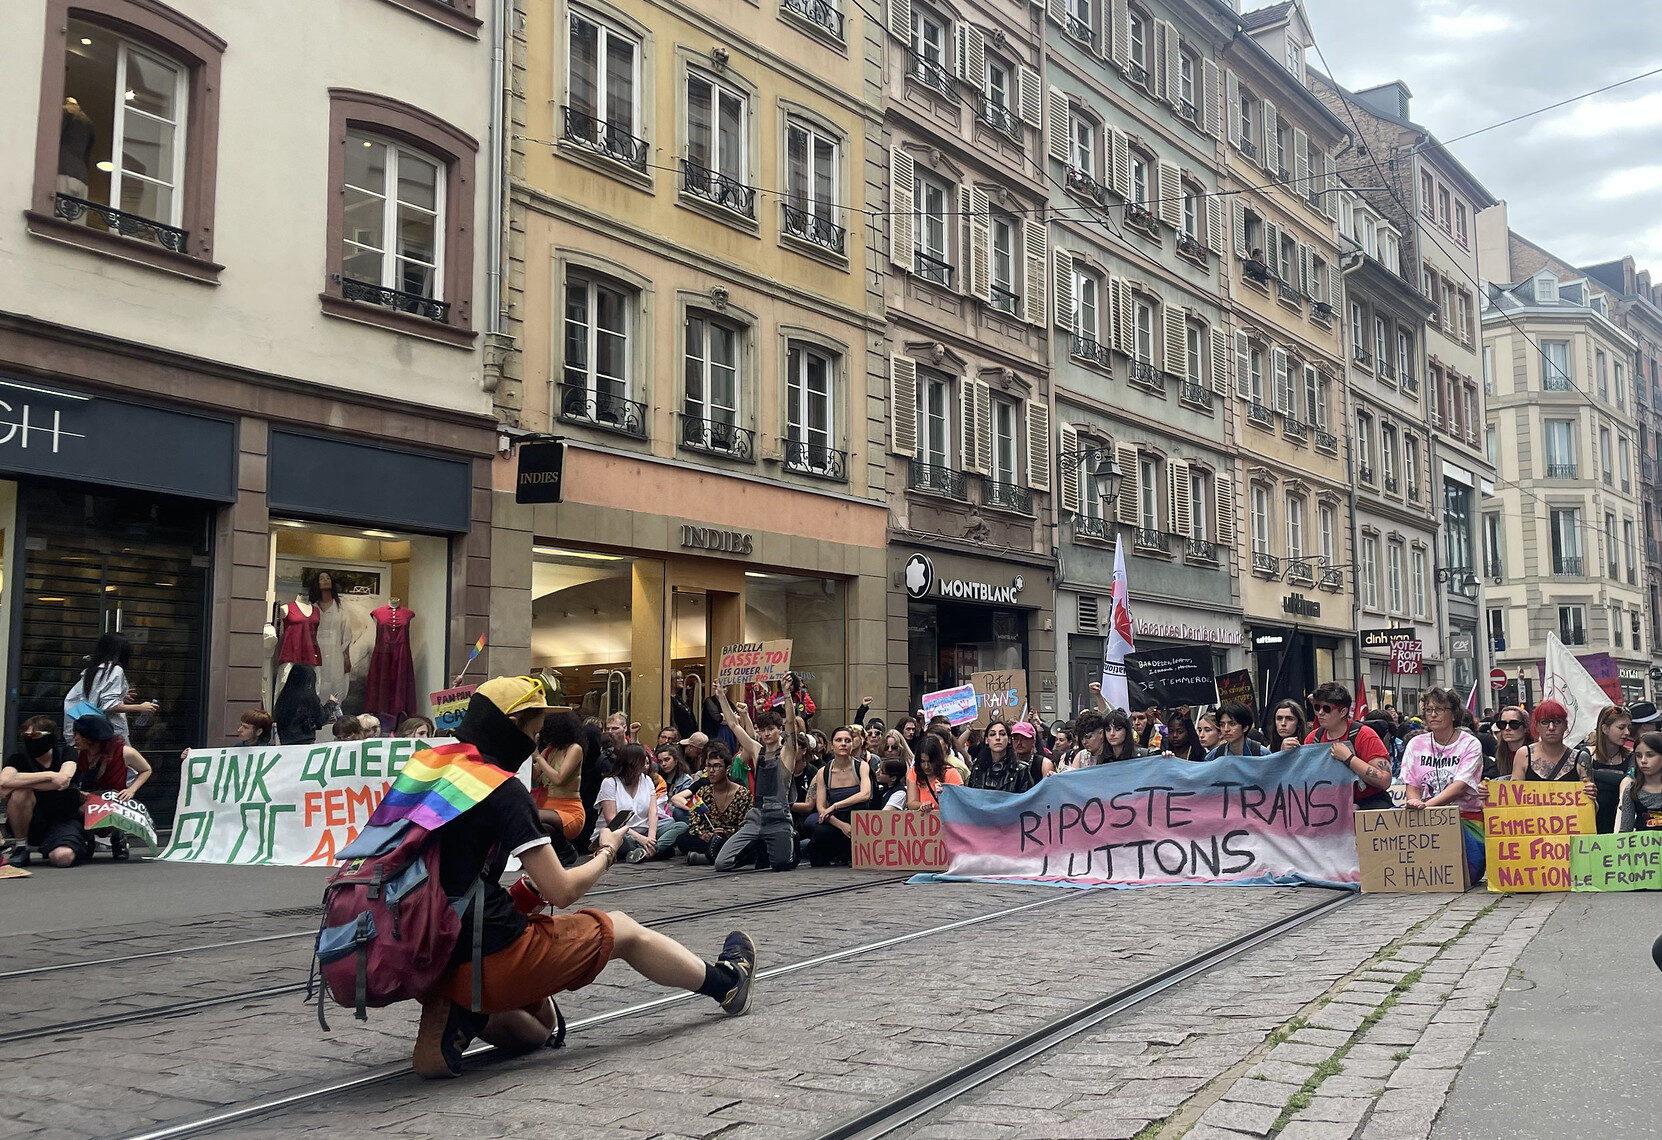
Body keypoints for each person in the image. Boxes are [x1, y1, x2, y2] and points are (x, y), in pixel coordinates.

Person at [399, 678, 754, 1079]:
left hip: (423, 946)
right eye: (533, 733)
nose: (535, 744)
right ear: (511, 724)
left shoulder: (427, 769)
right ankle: (728, 983)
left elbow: (449, 870)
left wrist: (521, 893)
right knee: (624, 930)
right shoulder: (501, 788)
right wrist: (607, 851)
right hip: (485, 950)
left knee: (541, 1028)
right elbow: (562, 891)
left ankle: (459, 1011)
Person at [1400, 688, 1486, 883]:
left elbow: (1460, 786)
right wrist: (1413, 803)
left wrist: (1425, 806)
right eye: (1428, 709)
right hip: (1426, 819)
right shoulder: (1415, 744)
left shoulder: (1470, 744)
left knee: (1465, 874)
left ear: (1454, 714)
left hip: (1465, 819)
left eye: (1439, 709)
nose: (1432, 714)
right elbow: (1412, 784)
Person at [714, 688, 801, 872]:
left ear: (779, 730)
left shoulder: (787, 752)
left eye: (771, 729)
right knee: (722, 864)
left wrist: (786, 695)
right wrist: (721, 696)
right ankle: (757, 849)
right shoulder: (756, 751)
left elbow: (792, 725)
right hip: (757, 819)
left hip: (778, 820)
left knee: (782, 864)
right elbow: (733, 725)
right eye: (762, 730)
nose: (767, 734)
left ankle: (789, 839)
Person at [2, 716, 88, 867]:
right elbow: (3, 782)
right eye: (26, 736)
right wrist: (49, 775)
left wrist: (22, 782)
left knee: (63, 857)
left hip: (63, 819)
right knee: (20, 793)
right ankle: (21, 847)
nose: (30, 740)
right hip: (32, 821)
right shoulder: (18, 758)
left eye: (35, 735)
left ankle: (75, 844)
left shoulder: (66, 753)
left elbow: (63, 780)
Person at [70, 713, 151, 861]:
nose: (74, 738)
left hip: (114, 798)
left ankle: (118, 837)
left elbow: (146, 769)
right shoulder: (77, 752)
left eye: (78, 735)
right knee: (74, 805)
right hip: (88, 796)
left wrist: (131, 790)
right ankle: (87, 839)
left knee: (108, 800)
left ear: (91, 738)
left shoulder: (125, 752)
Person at [1304, 682, 1393, 811]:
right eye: (1317, 707)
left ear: (1343, 712)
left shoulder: (1365, 735)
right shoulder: (1312, 739)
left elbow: (1385, 781)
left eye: (1327, 708)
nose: (1320, 713)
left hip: (1367, 804)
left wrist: (1349, 758)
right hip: (1327, 805)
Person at [63, 632, 157, 741]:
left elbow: (94, 698)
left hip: (88, 732)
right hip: (108, 735)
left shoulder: (93, 670)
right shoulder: (114, 670)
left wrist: (121, 697)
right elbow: (109, 706)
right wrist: (141, 707)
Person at [676, 745, 752, 864]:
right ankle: (719, 855)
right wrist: (706, 835)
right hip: (709, 839)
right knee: (682, 839)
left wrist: (726, 833)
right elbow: (694, 822)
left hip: (732, 839)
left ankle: (709, 857)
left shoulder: (742, 794)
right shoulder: (703, 792)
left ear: (728, 769)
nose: (711, 771)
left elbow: (746, 825)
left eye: (717, 766)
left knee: (750, 845)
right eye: (709, 766)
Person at [807, 726, 871, 867]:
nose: (843, 743)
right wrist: (842, 826)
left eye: (847, 740)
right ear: (831, 745)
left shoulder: (861, 766)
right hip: (835, 821)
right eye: (838, 740)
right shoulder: (823, 772)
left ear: (852, 745)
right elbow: (821, 807)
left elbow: (865, 794)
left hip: (858, 820)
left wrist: (836, 805)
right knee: (819, 833)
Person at [532, 711, 587, 860]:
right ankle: (564, 850)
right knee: (539, 824)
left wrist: (538, 757)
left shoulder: (575, 749)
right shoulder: (548, 751)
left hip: (570, 810)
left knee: (530, 815)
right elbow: (532, 776)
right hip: (549, 807)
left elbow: (559, 778)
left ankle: (564, 849)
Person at [1512, 700, 1593, 798]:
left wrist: (1591, 797)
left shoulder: (1581, 758)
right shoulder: (1524, 755)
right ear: (1536, 726)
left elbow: (1592, 808)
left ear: (1565, 725)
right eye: (1544, 722)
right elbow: (1513, 798)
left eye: (1557, 722)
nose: (1551, 727)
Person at [596, 743, 659, 864]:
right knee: (625, 840)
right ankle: (652, 851)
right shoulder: (610, 783)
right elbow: (612, 820)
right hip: (620, 832)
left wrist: (651, 838)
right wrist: (641, 839)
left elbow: (653, 811)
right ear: (631, 762)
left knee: (677, 826)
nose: (646, 762)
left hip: (644, 830)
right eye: (642, 759)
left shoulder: (647, 780)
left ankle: (644, 851)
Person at [1588, 705, 1635, 833]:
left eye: (1628, 728)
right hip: (1592, 830)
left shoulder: (1632, 757)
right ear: (1605, 729)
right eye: (1621, 728)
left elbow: (1630, 781)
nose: (1627, 733)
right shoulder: (1587, 755)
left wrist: (1593, 774)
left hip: (1620, 830)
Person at [648, 744, 694, 860]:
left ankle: (654, 849)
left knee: (676, 812)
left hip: (671, 815)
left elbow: (685, 803)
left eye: (667, 760)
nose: (663, 764)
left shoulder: (685, 780)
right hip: (658, 816)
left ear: (676, 760)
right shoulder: (655, 777)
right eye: (660, 761)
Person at [965, 719, 1035, 794]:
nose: (997, 738)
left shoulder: (1021, 769)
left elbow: (1028, 801)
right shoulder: (977, 768)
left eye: (1002, 734)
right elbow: (970, 799)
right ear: (986, 740)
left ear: (1008, 740)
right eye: (992, 734)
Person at [275, 665, 334, 745]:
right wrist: (331, 703)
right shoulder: (309, 697)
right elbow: (321, 717)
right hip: (304, 740)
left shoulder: (283, 696)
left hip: (285, 740)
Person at [1616, 731, 1662, 832]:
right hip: (1642, 846)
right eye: (1638, 755)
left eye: (1650, 755)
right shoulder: (1631, 790)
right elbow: (1625, 831)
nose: (1643, 761)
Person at [907, 731, 962, 811]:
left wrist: (943, 796)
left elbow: (959, 803)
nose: (926, 766)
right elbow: (911, 803)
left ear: (937, 760)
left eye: (930, 762)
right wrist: (923, 805)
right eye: (923, 762)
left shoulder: (951, 773)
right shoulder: (914, 772)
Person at [1011, 719, 1045, 784]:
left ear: (1033, 741)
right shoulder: (1007, 763)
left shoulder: (1043, 764)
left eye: (1024, 738)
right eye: (1016, 738)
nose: (1019, 742)